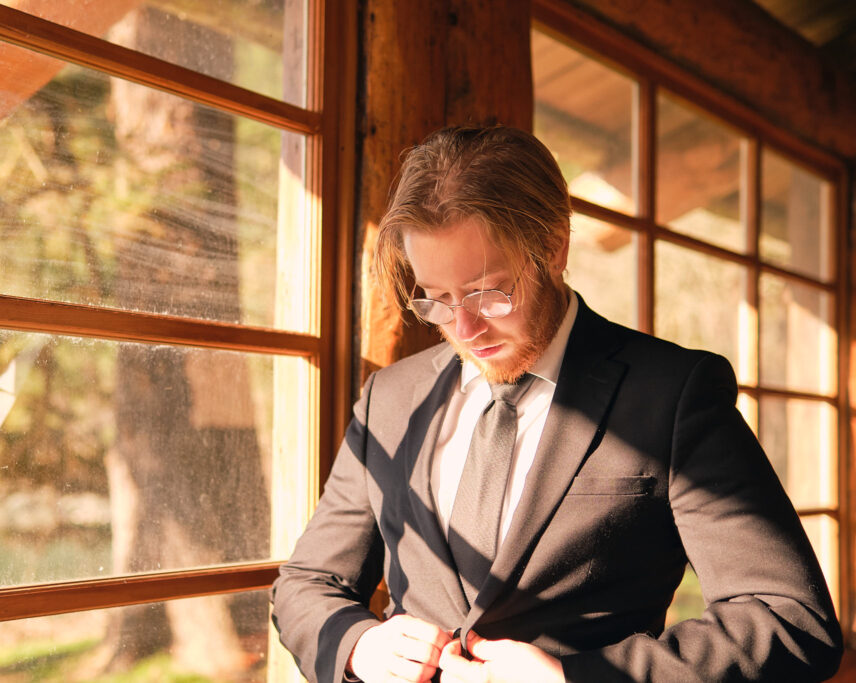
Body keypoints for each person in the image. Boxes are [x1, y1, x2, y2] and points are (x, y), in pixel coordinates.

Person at [270, 125, 843, 683]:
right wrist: (358, 645)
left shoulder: (673, 393)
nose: (464, 328)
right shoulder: (389, 399)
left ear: (553, 245)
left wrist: (576, 678)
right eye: (438, 301)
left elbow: (789, 620)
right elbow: (307, 583)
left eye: (487, 291)